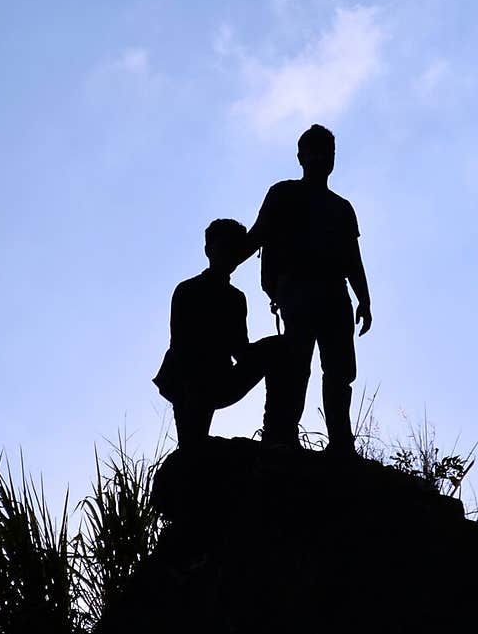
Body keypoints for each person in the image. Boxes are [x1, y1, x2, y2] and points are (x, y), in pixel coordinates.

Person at [242, 125, 372, 453]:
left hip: (334, 292)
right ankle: (285, 434)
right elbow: (257, 235)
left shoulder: (342, 208)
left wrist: (364, 299)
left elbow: (352, 258)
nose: (321, 157)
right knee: (296, 363)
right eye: (314, 150)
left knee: (340, 370)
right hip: (297, 288)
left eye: (327, 151)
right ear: (301, 157)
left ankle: (341, 441)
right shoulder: (283, 194)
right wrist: (225, 262)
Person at [153, 218, 275, 450]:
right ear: (209, 250)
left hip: (220, 377)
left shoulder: (237, 298)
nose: (230, 255)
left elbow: (240, 349)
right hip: (189, 380)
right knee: (192, 445)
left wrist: (265, 351)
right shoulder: (187, 290)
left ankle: (277, 429)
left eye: (234, 249)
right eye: (224, 248)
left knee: (277, 348)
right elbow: (181, 348)